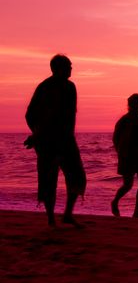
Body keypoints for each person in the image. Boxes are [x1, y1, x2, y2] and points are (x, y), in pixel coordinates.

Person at [25, 54, 87, 228]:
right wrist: (37, 134)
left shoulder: (70, 87)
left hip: (67, 140)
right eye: (68, 66)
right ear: (57, 68)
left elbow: (66, 116)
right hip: (47, 143)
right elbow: (31, 115)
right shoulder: (45, 88)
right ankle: (51, 219)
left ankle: (67, 214)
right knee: (48, 180)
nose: (71, 68)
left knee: (77, 177)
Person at [111, 93, 138, 219]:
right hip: (127, 156)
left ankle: (137, 212)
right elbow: (115, 138)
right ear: (130, 105)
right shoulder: (123, 120)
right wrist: (120, 152)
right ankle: (115, 201)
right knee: (128, 185)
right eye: (137, 103)